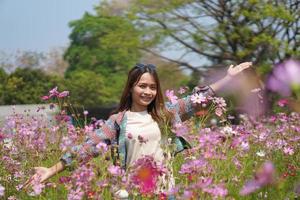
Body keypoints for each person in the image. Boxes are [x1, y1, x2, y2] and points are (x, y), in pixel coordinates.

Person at [24, 62, 252, 196]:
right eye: (142, 86)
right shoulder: (118, 120)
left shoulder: (166, 113)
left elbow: (198, 99)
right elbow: (87, 148)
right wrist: (51, 171)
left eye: (152, 87)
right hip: (131, 193)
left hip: (165, 192)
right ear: (131, 87)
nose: (147, 91)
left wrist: (228, 78)